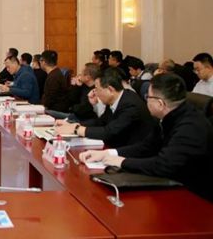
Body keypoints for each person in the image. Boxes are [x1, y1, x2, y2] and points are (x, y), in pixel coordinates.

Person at [80, 73, 213, 201]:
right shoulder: (166, 116)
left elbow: (162, 165)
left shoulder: (190, 127)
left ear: (160, 104)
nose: (145, 100)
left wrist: (121, 161)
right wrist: (107, 154)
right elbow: (146, 147)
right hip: (169, 183)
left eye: (147, 97)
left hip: (192, 195)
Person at [55, 68, 154, 148]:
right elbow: (100, 122)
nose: (95, 93)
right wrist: (74, 125)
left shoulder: (130, 104)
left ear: (110, 90)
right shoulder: (114, 99)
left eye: (97, 89)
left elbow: (109, 132)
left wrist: (76, 129)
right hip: (115, 145)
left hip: (130, 152)